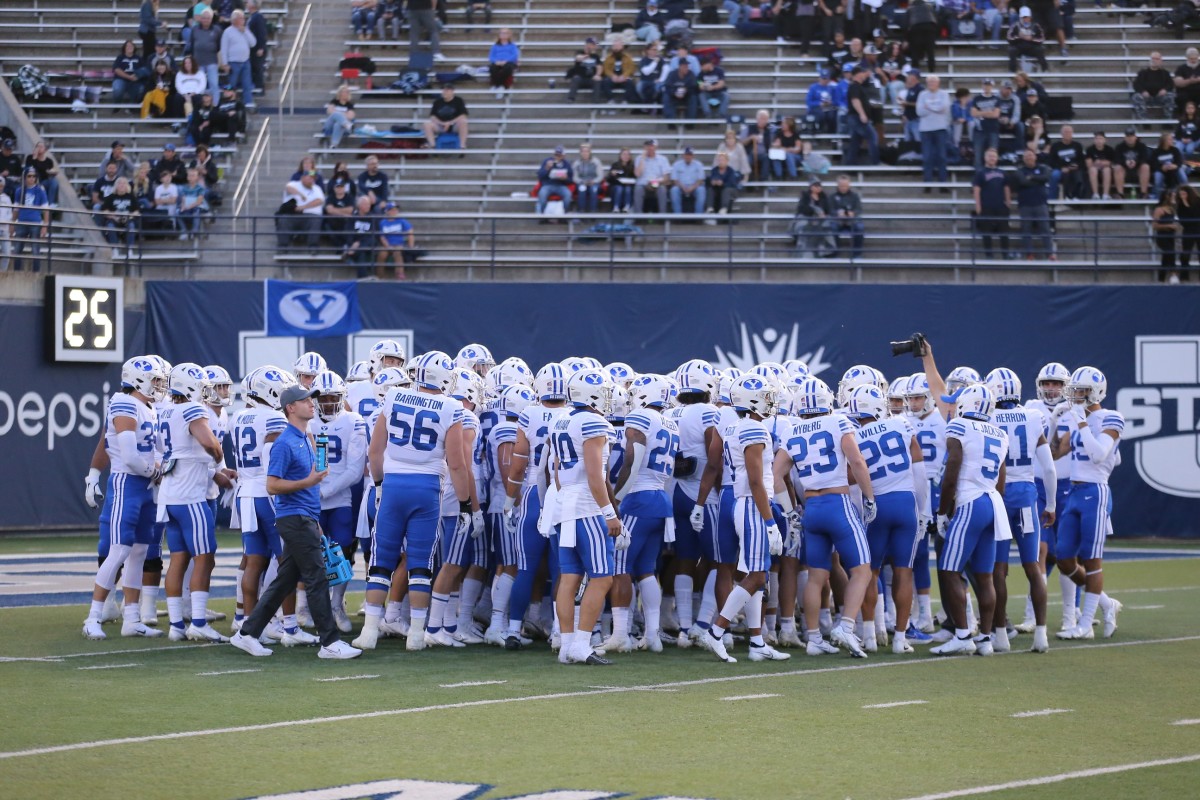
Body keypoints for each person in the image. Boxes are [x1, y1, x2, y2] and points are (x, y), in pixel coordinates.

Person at [354, 352, 478, 651]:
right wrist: (464, 504)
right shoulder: (451, 407)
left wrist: (381, 485)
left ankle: (369, 631)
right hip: (426, 488)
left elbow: (374, 451)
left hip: (394, 484)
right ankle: (417, 635)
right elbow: (458, 464)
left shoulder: (395, 396)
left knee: (381, 561)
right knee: (420, 563)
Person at [230, 384, 363, 660]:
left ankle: (246, 633)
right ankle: (330, 642)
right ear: (291, 407)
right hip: (293, 518)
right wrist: (308, 482)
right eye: (305, 401)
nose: (312, 404)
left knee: (284, 582)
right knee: (316, 578)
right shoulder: (285, 442)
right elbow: (272, 486)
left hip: (305, 517)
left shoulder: (305, 436)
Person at [785, 377, 875, 657]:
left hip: (811, 507)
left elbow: (777, 475)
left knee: (816, 576)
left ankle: (813, 638)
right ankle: (845, 626)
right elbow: (857, 462)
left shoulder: (792, 430)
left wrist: (789, 510)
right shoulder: (838, 421)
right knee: (862, 570)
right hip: (838, 503)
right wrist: (870, 497)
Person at [81, 357, 166, 640]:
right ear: (139, 379)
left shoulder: (148, 407)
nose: (159, 385)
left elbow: (154, 449)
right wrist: (155, 472)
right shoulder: (124, 402)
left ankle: (132, 618)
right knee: (118, 551)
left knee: (139, 552)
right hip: (127, 484)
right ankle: (93, 616)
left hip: (145, 487)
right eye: (155, 379)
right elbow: (129, 456)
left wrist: (158, 467)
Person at [928, 384, 1007, 656]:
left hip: (970, 503)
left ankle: (963, 634)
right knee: (985, 577)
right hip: (992, 502)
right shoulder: (999, 433)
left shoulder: (959, 426)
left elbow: (952, 471)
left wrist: (942, 511)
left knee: (950, 570)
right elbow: (1001, 479)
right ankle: (985, 638)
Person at [550, 368, 619, 666]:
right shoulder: (593, 422)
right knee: (603, 578)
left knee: (569, 577)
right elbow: (595, 476)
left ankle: (566, 646)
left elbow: (555, 472)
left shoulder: (560, 419)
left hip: (563, 502)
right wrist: (609, 513)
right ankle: (580, 643)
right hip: (586, 507)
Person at [985, 369, 1055, 653]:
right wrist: (1050, 504)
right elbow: (1049, 468)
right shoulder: (1032, 416)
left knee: (998, 571)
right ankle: (1041, 635)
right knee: (1033, 567)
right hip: (1027, 495)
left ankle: (1001, 635)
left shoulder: (987, 418)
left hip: (999, 495)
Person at [1051, 368, 1124, 642]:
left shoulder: (1112, 417)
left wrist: (1081, 422)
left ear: (1095, 392)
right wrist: (1054, 422)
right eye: (1074, 390)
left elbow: (1098, 455)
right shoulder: (1075, 417)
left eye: (1080, 390)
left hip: (1096, 491)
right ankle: (1106, 604)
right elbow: (1056, 451)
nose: (1075, 395)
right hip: (1074, 491)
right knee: (1064, 558)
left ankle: (1086, 623)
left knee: (1092, 561)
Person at [156, 364, 227, 643]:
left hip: (170, 495)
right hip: (190, 497)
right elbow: (210, 443)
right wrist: (219, 461)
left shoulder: (165, 409)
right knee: (205, 557)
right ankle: (197, 621)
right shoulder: (192, 410)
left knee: (178, 558)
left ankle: (176, 625)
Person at [972, 148, 1012, 259]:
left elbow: (1006, 187)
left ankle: (1005, 254)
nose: (992, 158)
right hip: (986, 206)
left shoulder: (1003, 172)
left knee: (1004, 231)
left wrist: (1008, 202)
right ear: (985, 158)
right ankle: (989, 255)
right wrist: (978, 206)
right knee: (986, 231)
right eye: (989, 156)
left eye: (994, 156)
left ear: (997, 158)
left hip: (1001, 206)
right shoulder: (980, 173)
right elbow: (976, 189)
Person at [1015, 147, 1053, 260]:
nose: (1028, 158)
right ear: (1023, 159)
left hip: (1040, 203)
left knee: (1045, 229)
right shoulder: (1019, 171)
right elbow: (1023, 181)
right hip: (1025, 205)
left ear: (1035, 156)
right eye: (1026, 156)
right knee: (1026, 229)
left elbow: (1046, 178)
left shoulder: (1043, 168)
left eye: (1030, 155)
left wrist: (1032, 177)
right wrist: (1038, 181)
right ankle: (1029, 254)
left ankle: (1050, 253)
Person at [917, 74, 952, 189]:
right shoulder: (922, 94)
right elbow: (919, 111)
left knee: (942, 156)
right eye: (929, 81)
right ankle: (928, 183)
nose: (931, 83)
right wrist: (935, 108)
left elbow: (944, 108)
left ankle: (943, 183)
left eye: (933, 81)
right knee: (927, 157)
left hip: (940, 128)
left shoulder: (944, 94)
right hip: (925, 129)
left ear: (938, 83)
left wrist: (929, 107)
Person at [277, 170, 324, 251]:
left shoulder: (317, 188)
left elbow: (319, 201)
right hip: (293, 215)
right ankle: (282, 247)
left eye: (313, 178)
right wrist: (300, 194)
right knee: (284, 219)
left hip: (311, 215)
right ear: (302, 178)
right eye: (310, 178)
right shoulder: (294, 184)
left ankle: (313, 247)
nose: (312, 180)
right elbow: (288, 188)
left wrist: (303, 207)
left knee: (316, 220)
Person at [13, 168, 49, 272]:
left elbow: (45, 209)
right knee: (17, 249)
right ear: (24, 178)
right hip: (21, 222)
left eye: (34, 176)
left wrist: (44, 226)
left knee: (35, 250)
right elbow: (16, 208)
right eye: (29, 176)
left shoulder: (40, 190)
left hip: (35, 223)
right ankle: (16, 272)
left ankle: (36, 272)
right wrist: (12, 224)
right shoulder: (19, 190)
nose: (32, 178)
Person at [220, 10, 257, 108]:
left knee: (247, 84)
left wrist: (245, 32)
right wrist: (225, 63)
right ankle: (229, 103)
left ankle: (248, 103)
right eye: (241, 18)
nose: (243, 20)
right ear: (235, 20)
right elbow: (224, 49)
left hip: (245, 61)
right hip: (233, 63)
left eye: (243, 18)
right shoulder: (227, 32)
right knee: (231, 85)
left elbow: (253, 43)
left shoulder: (246, 30)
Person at [845, 66, 879, 166]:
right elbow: (855, 100)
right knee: (872, 136)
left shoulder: (857, 86)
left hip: (855, 117)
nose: (864, 75)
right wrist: (862, 114)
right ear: (858, 74)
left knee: (855, 142)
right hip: (857, 117)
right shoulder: (855, 86)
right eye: (863, 72)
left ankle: (850, 165)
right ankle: (875, 163)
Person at [376, 202, 419, 278]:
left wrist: (411, 246)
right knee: (381, 255)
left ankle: (399, 274)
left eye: (396, 210)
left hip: (399, 244)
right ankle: (380, 276)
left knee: (397, 252)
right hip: (387, 244)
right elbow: (382, 237)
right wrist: (388, 246)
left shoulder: (401, 220)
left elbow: (410, 231)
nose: (395, 212)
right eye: (392, 210)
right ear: (387, 211)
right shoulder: (383, 222)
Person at [793, 178, 835, 257]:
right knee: (803, 226)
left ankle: (824, 252)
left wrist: (823, 214)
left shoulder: (824, 197)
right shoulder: (805, 196)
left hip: (820, 221)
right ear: (811, 187)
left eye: (819, 186)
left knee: (826, 226)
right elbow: (801, 209)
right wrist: (814, 211)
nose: (818, 187)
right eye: (816, 185)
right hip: (807, 218)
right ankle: (803, 253)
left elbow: (828, 210)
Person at [1133, 52, 1177, 121]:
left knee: (1170, 96)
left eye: (1157, 59)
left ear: (1160, 61)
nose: (1154, 60)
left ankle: (1167, 120)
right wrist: (1143, 91)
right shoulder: (1142, 73)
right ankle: (1144, 121)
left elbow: (1170, 84)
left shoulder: (1165, 73)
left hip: (1160, 97)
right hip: (1147, 97)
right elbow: (1136, 84)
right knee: (1137, 97)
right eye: (1153, 58)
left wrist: (1165, 90)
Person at [424, 84, 469, 149]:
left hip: (454, 125)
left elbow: (463, 115)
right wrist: (442, 123)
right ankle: (433, 145)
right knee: (427, 124)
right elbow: (432, 116)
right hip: (440, 126)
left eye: (447, 90)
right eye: (443, 90)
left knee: (463, 122)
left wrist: (450, 123)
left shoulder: (459, 101)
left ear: (452, 91)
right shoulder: (437, 102)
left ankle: (462, 146)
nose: (444, 92)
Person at [830, 173, 864, 258]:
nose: (843, 187)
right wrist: (837, 213)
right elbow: (830, 210)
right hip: (837, 220)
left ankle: (856, 253)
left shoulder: (855, 196)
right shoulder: (832, 197)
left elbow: (858, 209)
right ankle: (834, 251)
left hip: (851, 220)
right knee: (832, 227)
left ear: (849, 185)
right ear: (838, 185)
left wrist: (853, 213)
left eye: (845, 185)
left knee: (860, 227)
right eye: (841, 185)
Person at [1048, 125, 1085, 201]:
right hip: (1059, 168)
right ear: (1061, 133)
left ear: (1072, 133)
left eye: (1069, 132)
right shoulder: (1055, 146)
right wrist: (1061, 168)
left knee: (1079, 175)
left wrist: (1076, 165)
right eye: (1065, 132)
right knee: (1054, 175)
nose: (1067, 133)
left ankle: (1076, 196)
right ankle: (1052, 199)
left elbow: (1081, 160)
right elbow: (1051, 161)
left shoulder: (1077, 145)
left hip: (1074, 168)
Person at [190, 9, 222, 100]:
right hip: (198, 62)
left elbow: (220, 46)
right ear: (200, 18)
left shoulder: (217, 30)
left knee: (214, 84)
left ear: (211, 19)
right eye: (204, 18)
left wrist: (220, 61)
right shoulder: (194, 29)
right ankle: (200, 105)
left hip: (212, 61)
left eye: (208, 18)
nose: (205, 20)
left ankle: (215, 106)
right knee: (199, 85)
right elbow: (192, 45)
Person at [634, 139, 671, 213]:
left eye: (651, 146)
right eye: (647, 146)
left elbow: (666, 178)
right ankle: (638, 216)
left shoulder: (663, 159)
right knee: (638, 189)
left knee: (662, 189)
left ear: (656, 147)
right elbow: (637, 174)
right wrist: (642, 159)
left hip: (657, 183)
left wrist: (655, 182)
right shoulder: (638, 158)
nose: (649, 148)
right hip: (643, 184)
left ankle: (662, 215)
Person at [1114, 126, 1152, 200]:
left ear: (1135, 137)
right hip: (1124, 171)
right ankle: (1120, 194)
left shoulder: (1142, 146)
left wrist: (1136, 162)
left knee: (1145, 167)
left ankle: (1143, 193)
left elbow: (1145, 159)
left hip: (1138, 170)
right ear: (1125, 138)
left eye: (1131, 136)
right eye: (1128, 136)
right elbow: (1117, 160)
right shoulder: (1119, 147)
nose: (1130, 138)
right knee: (1117, 167)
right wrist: (1126, 163)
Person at [344, 195, 378, 275]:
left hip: (368, 243)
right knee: (361, 254)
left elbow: (372, 234)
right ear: (359, 206)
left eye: (369, 204)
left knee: (371, 239)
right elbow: (348, 233)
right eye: (365, 204)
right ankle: (363, 278)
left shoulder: (372, 218)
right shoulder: (352, 218)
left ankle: (350, 252)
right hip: (357, 244)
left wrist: (358, 243)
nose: (368, 206)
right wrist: (353, 243)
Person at [535, 145, 574, 215]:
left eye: (559, 155)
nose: (557, 157)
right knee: (542, 194)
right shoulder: (547, 161)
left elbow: (570, 180)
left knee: (568, 195)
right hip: (548, 185)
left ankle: (564, 215)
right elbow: (540, 176)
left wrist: (565, 179)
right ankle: (542, 216)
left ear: (563, 156)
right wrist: (547, 168)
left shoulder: (567, 164)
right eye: (556, 155)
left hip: (561, 185)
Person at [1007, 7, 1047, 72]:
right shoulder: (1015, 25)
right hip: (1019, 47)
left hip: (1031, 47)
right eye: (1024, 17)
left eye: (1027, 17)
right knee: (1012, 50)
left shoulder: (1036, 25)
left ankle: (1044, 69)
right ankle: (1012, 70)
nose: (1026, 19)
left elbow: (1042, 39)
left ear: (1030, 17)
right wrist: (1019, 37)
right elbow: (1009, 38)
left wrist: (1032, 39)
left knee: (1040, 49)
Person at [670, 146, 706, 215]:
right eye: (686, 155)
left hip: (695, 186)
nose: (688, 157)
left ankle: (699, 216)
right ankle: (677, 216)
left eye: (690, 155)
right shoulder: (677, 164)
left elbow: (700, 180)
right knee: (674, 190)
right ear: (683, 155)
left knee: (701, 190)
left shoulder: (698, 164)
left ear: (693, 156)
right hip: (680, 186)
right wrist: (683, 187)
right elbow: (674, 180)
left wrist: (692, 187)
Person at [741, 109, 777, 180]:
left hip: (765, 153)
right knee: (747, 161)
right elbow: (741, 142)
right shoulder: (749, 128)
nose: (763, 121)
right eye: (761, 118)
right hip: (751, 152)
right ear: (757, 119)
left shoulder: (770, 130)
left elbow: (774, 141)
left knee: (767, 159)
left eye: (765, 119)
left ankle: (763, 181)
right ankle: (748, 181)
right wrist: (751, 138)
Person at [599, 40, 635, 108]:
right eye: (615, 46)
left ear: (622, 48)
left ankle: (625, 101)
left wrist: (624, 76)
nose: (616, 48)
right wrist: (612, 76)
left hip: (624, 78)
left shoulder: (628, 57)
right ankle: (610, 100)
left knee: (630, 83)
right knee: (605, 82)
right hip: (612, 78)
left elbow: (631, 69)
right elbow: (606, 69)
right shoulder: (608, 57)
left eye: (618, 46)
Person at [906, 0, 939, 73]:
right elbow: (936, 20)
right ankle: (932, 71)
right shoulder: (929, 7)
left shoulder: (910, 9)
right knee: (931, 53)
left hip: (916, 29)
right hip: (930, 29)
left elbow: (906, 25)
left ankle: (915, 72)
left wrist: (906, 39)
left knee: (915, 53)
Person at [23, 141, 59, 207]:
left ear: (45, 149)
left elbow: (50, 171)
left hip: (43, 181)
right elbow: (29, 171)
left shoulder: (48, 161)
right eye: (37, 146)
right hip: (33, 182)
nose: (39, 148)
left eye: (41, 147)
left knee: (54, 181)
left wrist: (52, 172)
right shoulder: (30, 158)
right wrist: (34, 158)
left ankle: (50, 204)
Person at [566, 37, 602, 103]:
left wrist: (597, 75)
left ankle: (596, 103)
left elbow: (599, 67)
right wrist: (585, 56)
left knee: (597, 81)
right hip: (581, 78)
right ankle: (570, 98)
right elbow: (578, 58)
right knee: (576, 78)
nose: (595, 47)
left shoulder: (596, 56)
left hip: (591, 78)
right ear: (588, 45)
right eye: (594, 45)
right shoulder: (579, 53)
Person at [806, 69, 842, 134]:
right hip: (817, 108)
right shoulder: (813, 87)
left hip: (829, 108)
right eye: (823, 78)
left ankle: (832, 133)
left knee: (832, 115)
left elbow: (837, 101)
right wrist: (819, 103)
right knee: (821, 115)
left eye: (826, 78)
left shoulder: (833, 88)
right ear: (820, 78)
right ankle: (820, 131)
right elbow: (809, 102)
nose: (825, 80)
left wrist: (831, 102)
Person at [488, 27, 520, 99]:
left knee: (508, 68)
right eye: (502, 33)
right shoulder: (495, 46)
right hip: (498, 62)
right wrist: (496, 61)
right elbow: (491, 56)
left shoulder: (512, 45)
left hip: (508, 62)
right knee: (492, 68)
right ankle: (499, 86)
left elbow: (514, 55)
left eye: (505, 33)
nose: (503, 35)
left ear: (509, 35)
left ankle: (499, 86)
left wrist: (505, 61)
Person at [1152, 132, 1187, 197]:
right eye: (1170, 139)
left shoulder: (1175, 150)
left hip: (1174, 170)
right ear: (1164, 141)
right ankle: (1156, 196)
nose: (1172, 141)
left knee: (1182, 175)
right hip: (1161, 171)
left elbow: (1179, 162)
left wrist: (1175, 166)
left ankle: (1186, 193)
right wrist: (1162, 168)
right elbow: (1154, 164)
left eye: (1172, 139)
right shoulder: (1156, 152)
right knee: (1157, 176)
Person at [111, 41, 144, 107]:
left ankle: (133, 106)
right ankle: (117, 105)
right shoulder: (120, 57)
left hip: (135, 80)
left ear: (134, 48)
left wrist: (136, 76)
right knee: (118, 89)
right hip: (121, 79)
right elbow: (117, 70)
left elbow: (143, 69)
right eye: (127, 46)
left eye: (131, 46)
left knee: (142, 89)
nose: (130, 47)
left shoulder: (138, 58)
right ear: (124, 48)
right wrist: (128, 77)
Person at [573, 143, 603, 214]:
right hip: (582, 182)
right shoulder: (577, 163)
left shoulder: (596, 162)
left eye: (587, 151)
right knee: (582, 189)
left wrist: (594, 181)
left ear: (590, 152)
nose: (585, 153)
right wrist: (582, 181)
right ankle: (581, 211)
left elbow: (600, 176)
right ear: (580, 153)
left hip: (594, 182)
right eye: (583, 151)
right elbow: (575, 177)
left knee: (593, 189)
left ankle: (593, 211)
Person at [1086, 131, 1116, 201]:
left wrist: (1100, 163)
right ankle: (1095, 194)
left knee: (1107, 170)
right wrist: (1102, 163)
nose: (1099, 140)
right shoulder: (1090, 150)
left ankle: (1105, 195)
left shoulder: (1109, 150)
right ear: (1094, 140)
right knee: (1092, 169)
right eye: (1097, 138)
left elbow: (1112, 163)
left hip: (1107, 172)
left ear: (1105, 140)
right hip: (1094, 172)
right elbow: (1089, 164)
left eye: (1101, 138)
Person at [709, 151, 741, 215]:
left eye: (722, 160)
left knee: (726, 190)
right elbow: (711, 179)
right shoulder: (714, 170)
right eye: (719, 160)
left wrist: (722, 183)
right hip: (718, 189)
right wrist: (713, 182)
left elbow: (732, 183)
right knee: (710, 190)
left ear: (727, 161)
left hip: (730, 190)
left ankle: (724, 208)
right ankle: (709, 208)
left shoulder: (731, 171)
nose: (720, 162)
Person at [247, 0, 269, 91]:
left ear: (253, 5)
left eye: (248, 3)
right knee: (254, 68)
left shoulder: (258, 17)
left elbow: (262, 33)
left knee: (258, 68)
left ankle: (259, 88)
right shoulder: (252, 17)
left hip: (257, 49)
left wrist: (261, 47)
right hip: (252, 49)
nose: (246, 4)